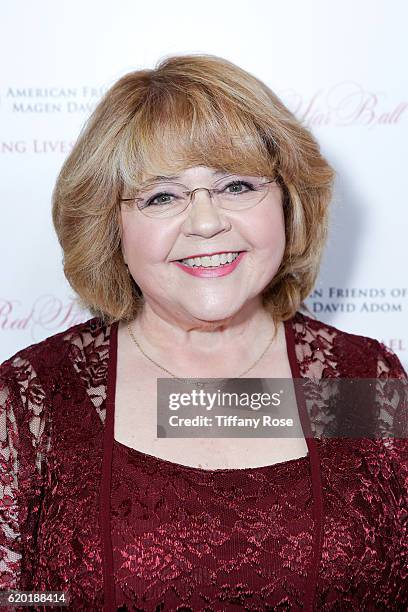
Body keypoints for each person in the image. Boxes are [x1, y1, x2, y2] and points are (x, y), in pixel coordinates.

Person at [0, 53, 406, 612]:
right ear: (110, 225)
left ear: (287, 201)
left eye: (237, 186)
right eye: (162, 196)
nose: (206, 222)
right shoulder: (34, 398)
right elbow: (17, 596)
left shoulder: (359, 378)